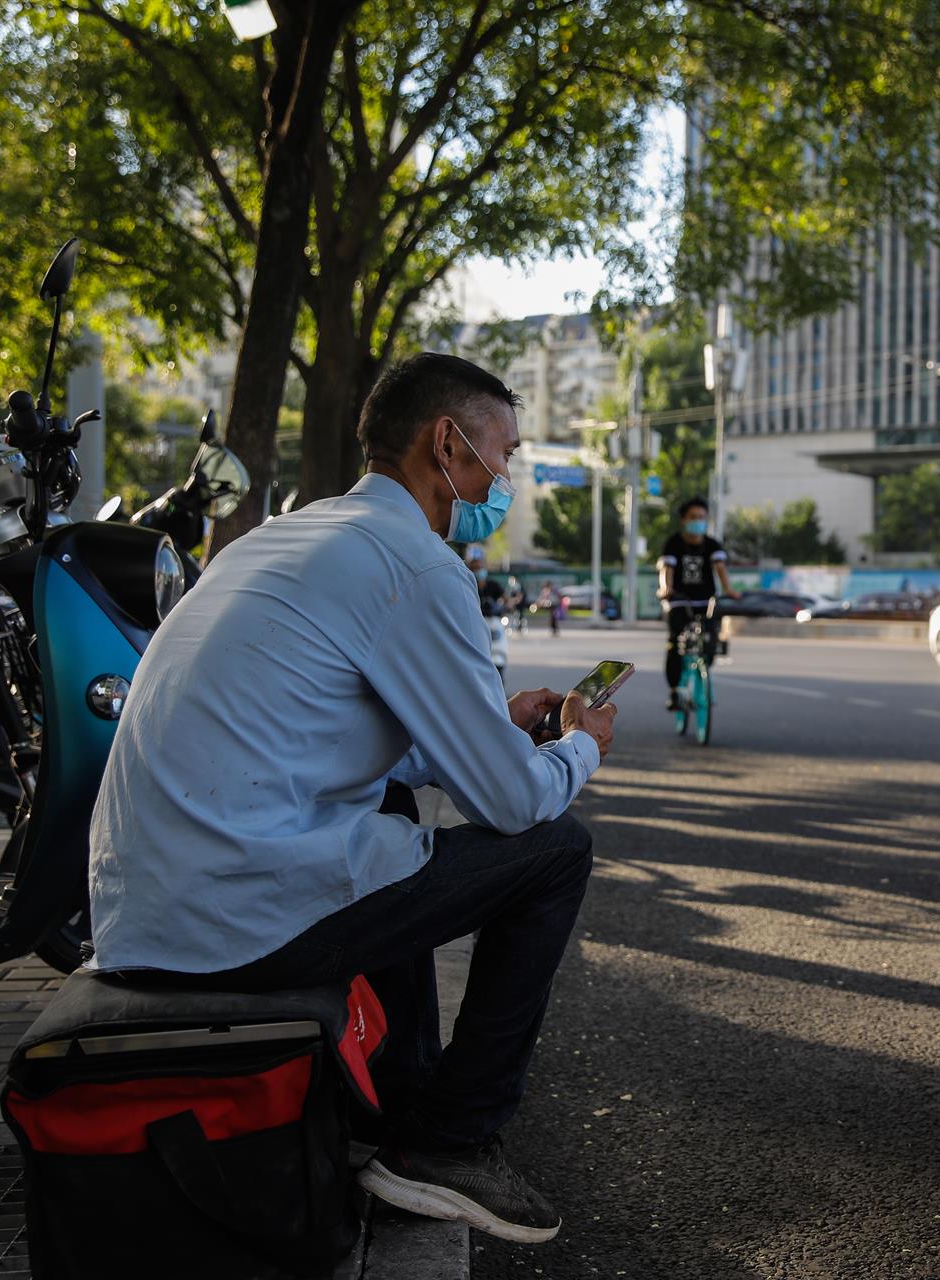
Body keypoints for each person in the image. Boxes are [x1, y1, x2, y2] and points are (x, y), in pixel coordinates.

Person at [87, 351, 618, 1244]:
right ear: (447, 445)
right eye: (505, 454)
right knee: (556, 850)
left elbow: (322, 736)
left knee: (392, 816)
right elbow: (510, 804)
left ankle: (397, 1111)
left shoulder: (285, 539)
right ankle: (450, 1141)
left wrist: (491, 719)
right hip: (226, 921)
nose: (508, 477)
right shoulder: (416, 564)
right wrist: (575, 748)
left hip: (143, 909)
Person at [655, 497, 738, 708]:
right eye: (693, 517)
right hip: (679, 600)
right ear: (684, 520)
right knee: (674, 641)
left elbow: (720, 567)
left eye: (702, 517)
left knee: (711, 641)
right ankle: (674, 691)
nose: (698, 521)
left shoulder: (712, 544)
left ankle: (704, 670)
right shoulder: (673, 542)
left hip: (705, 599)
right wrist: (666, 588)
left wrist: (729, 590)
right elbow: (667, 569)